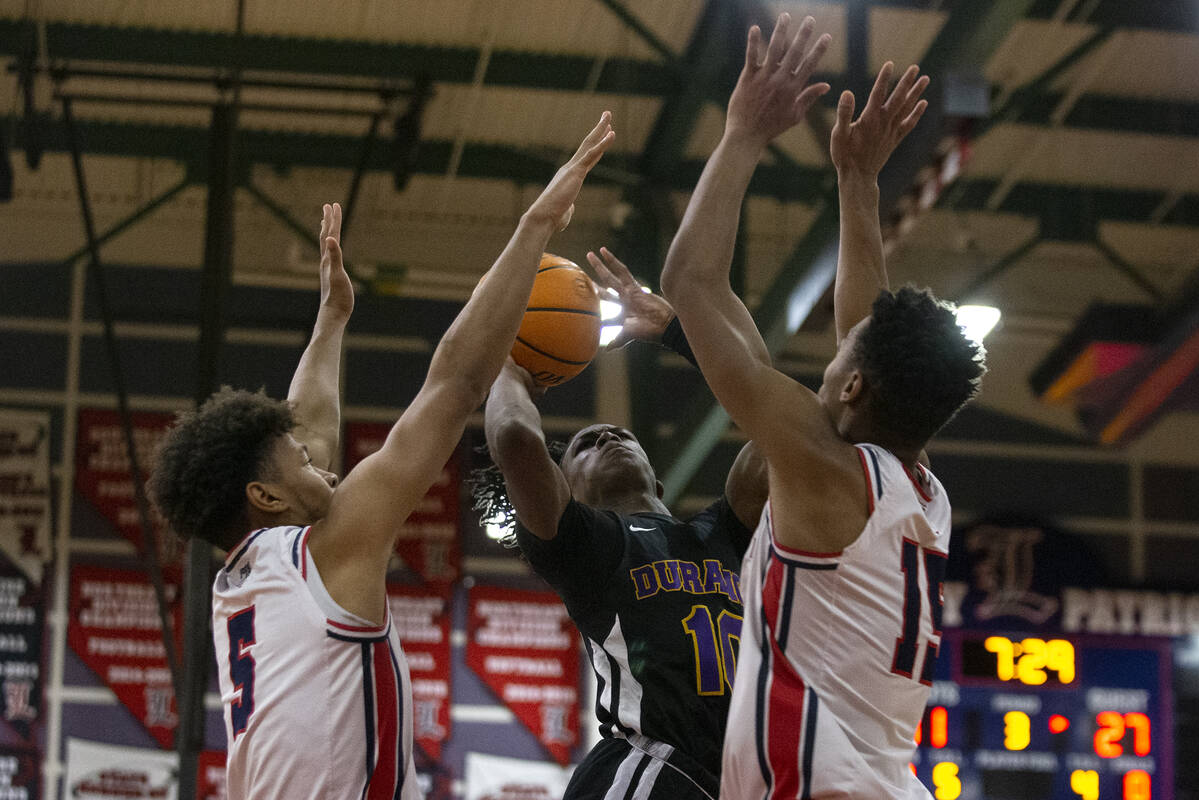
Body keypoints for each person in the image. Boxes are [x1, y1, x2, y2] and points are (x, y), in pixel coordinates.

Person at [149, 113, 615, 800]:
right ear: (267, 498)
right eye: (303, 466)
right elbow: (455, 386)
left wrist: (332, 321)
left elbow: (303, 427)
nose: (326, 466)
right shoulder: (326, 553)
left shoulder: (240, 584)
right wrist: (535, 227)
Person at [658, 14, 985, 800]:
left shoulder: (821, 466)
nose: (833, 352)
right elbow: (866, 325)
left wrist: (741, 134)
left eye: (841, 358)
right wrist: (857, 184)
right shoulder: (919, 489)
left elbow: (691, 285)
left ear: (853, 388)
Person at [478, 245, 767, 800]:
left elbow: (776, 416)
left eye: (620, 435)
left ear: (658, 481)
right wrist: (507, 366)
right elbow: (516, 438)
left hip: (734, 782)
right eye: (585, 446)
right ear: (571, 491)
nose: (607, 436)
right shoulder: (589, 545)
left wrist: (678, 330)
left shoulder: (725, 531)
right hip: (652, 768)